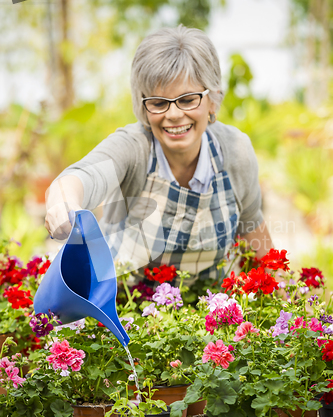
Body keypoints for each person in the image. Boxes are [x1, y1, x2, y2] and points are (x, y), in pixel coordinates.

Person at [45, 25, 273, 283]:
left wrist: (288, 311)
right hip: (126, 310)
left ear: (212, 100)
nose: (174, 114)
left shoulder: (235, 152)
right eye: (158, 103)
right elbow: (82, 176)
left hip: (211, 316)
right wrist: (62, 204)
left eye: (188, 99)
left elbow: (256, 238)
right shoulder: (134, 149)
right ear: (143, 106)